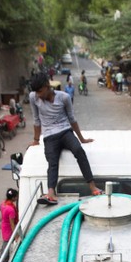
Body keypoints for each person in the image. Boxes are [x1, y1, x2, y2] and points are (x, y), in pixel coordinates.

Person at [28, 73, 101, 206]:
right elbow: (36, 119)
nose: (38, 95)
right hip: (49, 136)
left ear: (46, 86)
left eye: (40, 91)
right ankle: (51, 193)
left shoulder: (64, 97)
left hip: (65, 132)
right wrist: (36, 139)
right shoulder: (33, 97)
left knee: (79, 151)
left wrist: (82, 139)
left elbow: (72, 119)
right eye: (36, 92)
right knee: (52, 162)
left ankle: (93, 187)